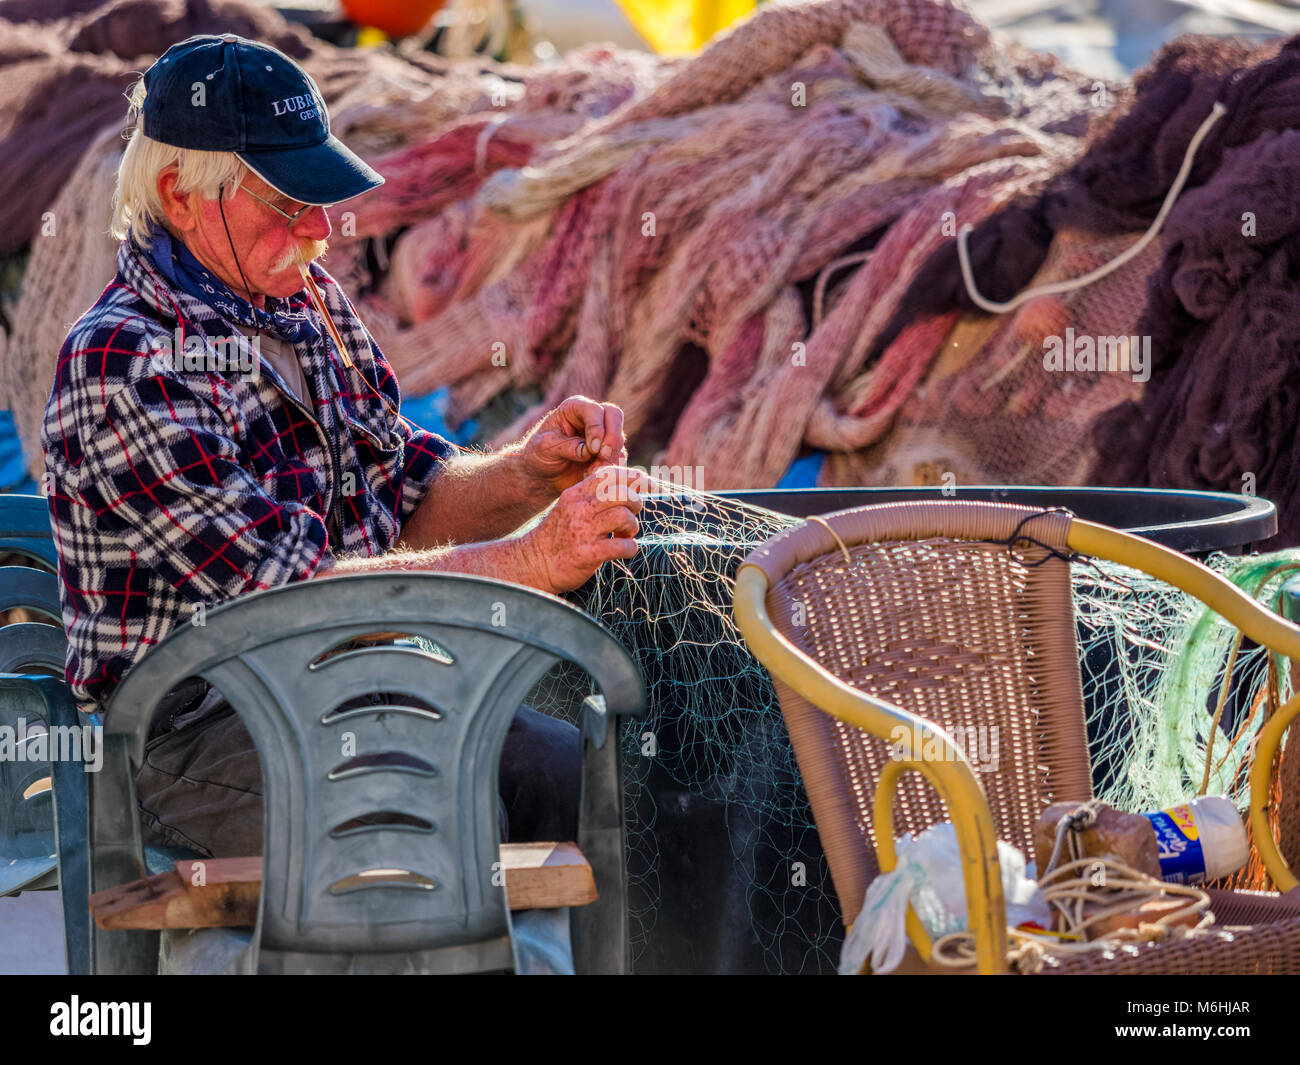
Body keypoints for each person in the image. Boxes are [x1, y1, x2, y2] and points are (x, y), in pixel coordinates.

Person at [41, 33, 644, 858]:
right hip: (188, 738)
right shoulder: (122, 358)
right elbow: (288, 599)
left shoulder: (306, 299)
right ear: (181, 196)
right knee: (437, 804)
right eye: (289, 203)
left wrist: (526, 472)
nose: (322, 229)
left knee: (581, 777)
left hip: (356, 683)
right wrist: (530, 562)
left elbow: (400, 496)